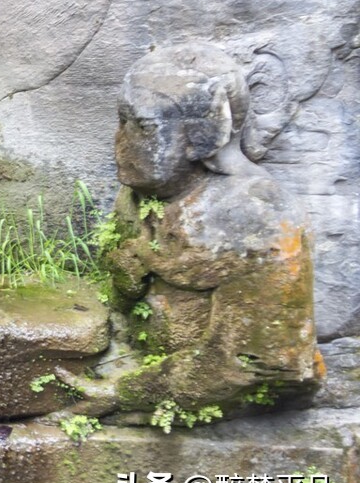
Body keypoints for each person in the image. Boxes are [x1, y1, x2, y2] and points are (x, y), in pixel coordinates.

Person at [64, 43, 320, 416]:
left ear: (204, 134)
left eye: (143, 127)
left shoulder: (257, 216)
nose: (120, 143)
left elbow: (259, 360)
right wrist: (125, 283)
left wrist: (124, 394)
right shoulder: (141, 194)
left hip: (221, 400)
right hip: (145, 363)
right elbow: (124, 303)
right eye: (121, 121)